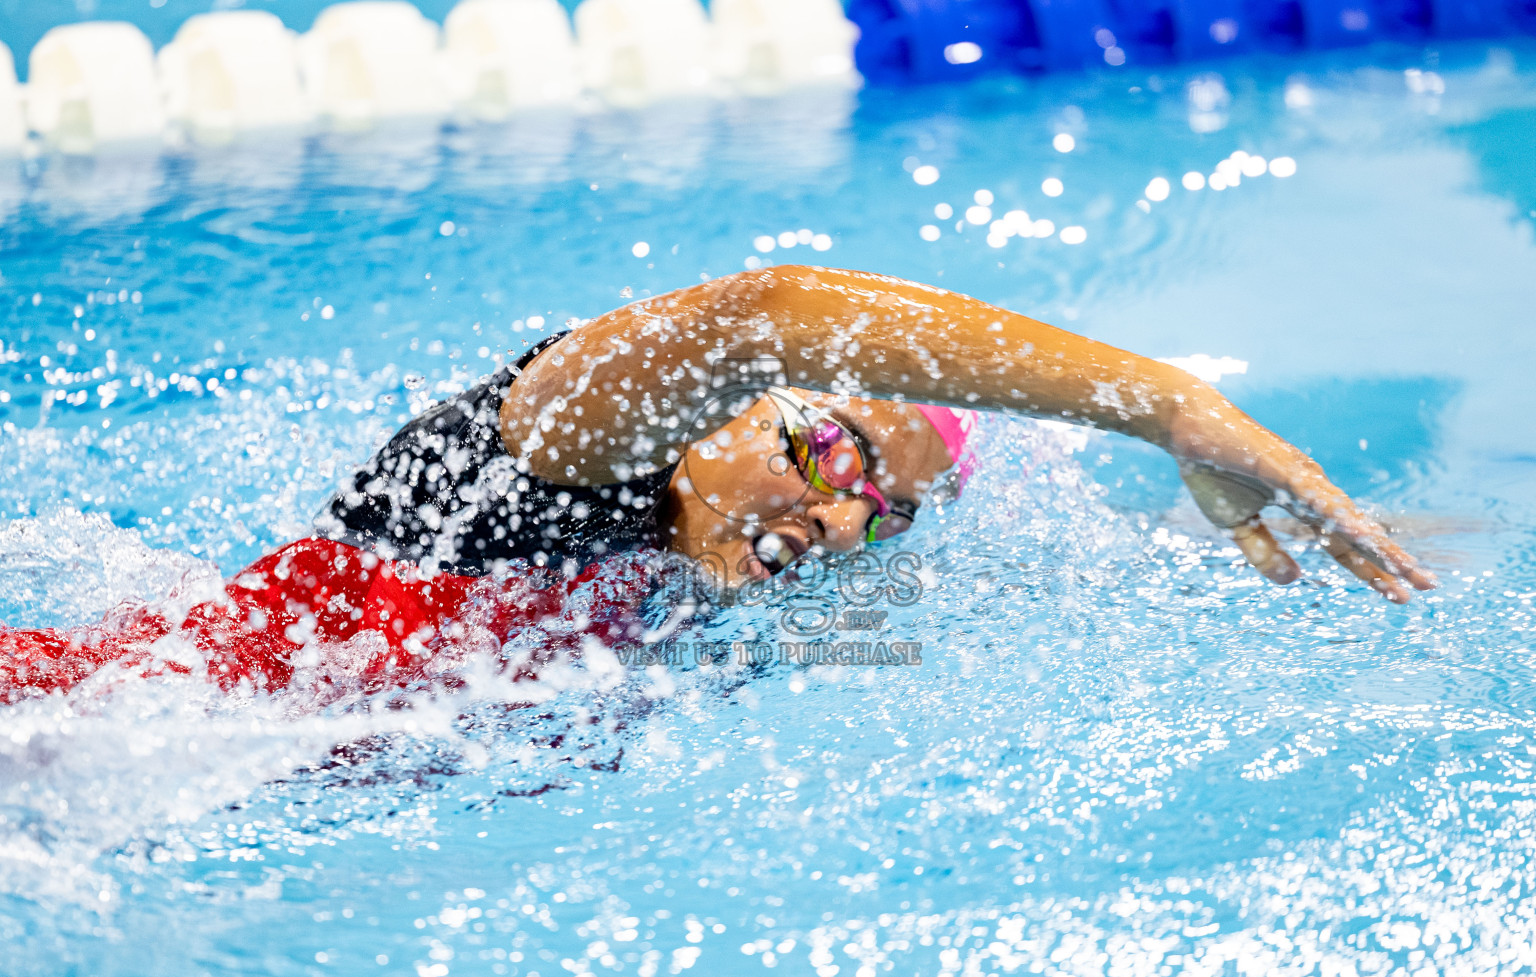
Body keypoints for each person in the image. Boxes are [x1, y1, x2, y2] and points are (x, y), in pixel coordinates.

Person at [0, 266, 1434, 703]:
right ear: (719, 415)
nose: (835, 519)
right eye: (828, 456)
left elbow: (1103, 588)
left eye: (876, 517)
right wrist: (1169, 407)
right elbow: (767, 310)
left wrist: (1383, 532)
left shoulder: (709, 595)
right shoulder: (552, 457)